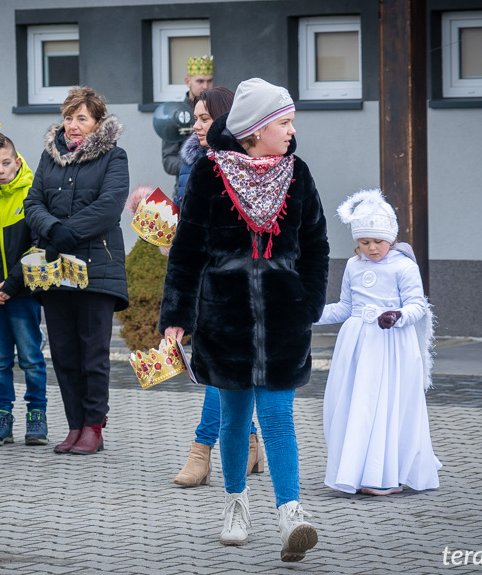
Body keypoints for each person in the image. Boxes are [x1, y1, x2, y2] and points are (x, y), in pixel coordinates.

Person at [159, 78, 330, 562]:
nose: (292, 131)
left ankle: (290, 514)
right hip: (224, 317)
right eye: (284, 122)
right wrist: (176, 315)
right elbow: (187, 249)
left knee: (278, 418)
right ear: (255, 130)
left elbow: (316, 245)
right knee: (233, 419)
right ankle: (235, 504)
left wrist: (308, 301)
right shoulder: (211, 175)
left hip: (282, 319)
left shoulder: (299, 174)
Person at [23, 86, 129, 455]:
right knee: (64, 353)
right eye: (68, 117)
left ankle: (93, 426)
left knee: (93, 354)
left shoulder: (114, 157)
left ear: (98, 122)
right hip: (55, 269)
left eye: (81, 118)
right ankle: (73, 426)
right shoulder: (49, 157)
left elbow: (109, 206)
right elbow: (32, 201)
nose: (72, 125)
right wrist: (53, 230)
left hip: (97, 268)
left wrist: (67, 232)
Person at [314, 189, 441, 496]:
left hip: (391, 346)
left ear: (391, 239)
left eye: (378, 241)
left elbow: (417, 305)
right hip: (357, 346)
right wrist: (308, 314)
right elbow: (345, 306)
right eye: (364, 242)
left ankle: (386, 475)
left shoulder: (403, 267)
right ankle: (357, 471)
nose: (371, 248)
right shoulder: (354, 266)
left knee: (386, 403)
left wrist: (397, 315)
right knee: (356, 404)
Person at [172, 87, 264, 488]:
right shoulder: (193, 163)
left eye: (205, 118)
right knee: (223, 373)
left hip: (238, 287)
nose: (196, 126)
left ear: (228, 119)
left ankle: (202, 450)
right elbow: (189, 227)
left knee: (222, 375)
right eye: (195, 117)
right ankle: (249, 441)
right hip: (202, 283)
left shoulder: (247, 165)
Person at [0, 133, 49, 447]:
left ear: (17, 162)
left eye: (6, 163)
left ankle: (36, 415)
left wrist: (13, 283)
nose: (1, 169)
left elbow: (38, 245)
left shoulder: (32, 196)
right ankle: (2, 417)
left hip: (23, 294)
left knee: (30, 358)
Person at [161, 56, 214, 200]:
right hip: (185, 193)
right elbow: (168, 162)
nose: (205, 86)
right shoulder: (175, 114)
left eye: (209, 81)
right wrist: (196, 164)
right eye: (200, 81)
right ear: (187, 82)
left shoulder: (217, 111)